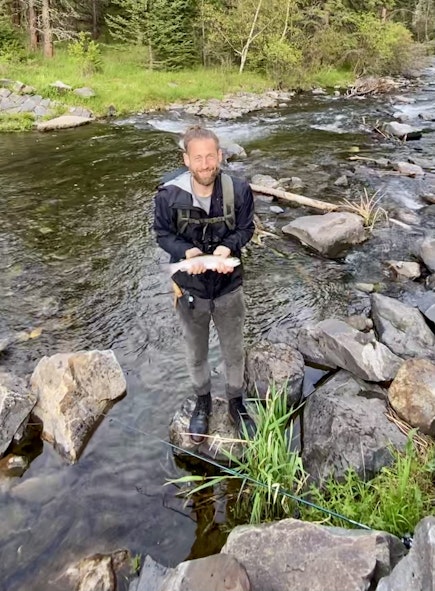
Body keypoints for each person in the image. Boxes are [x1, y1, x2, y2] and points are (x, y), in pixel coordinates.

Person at [153, 125, 256, 443]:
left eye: (211, 156)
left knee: (234, 351)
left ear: (220, 155)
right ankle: (202, 402)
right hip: (189, 291)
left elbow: (246, 229)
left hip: (229, 288)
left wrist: (227, 248)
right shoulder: (168, 194)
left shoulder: (239, 190)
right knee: (196, 353)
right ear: (186, 159)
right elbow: (162, 234)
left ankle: (236, 403)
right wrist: (187, 252)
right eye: (198, 158)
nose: (205, 164)